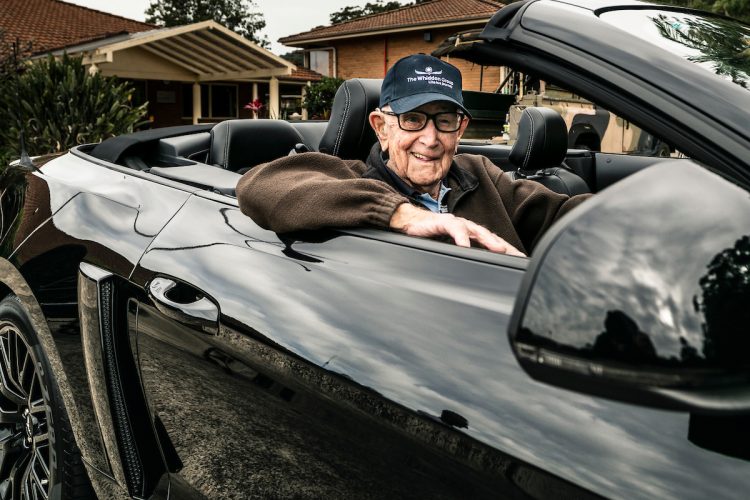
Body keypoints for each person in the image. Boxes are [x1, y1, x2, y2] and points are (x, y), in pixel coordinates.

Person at [237, 54, 589, 256]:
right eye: (413, 120)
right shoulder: (354, 179)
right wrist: (402, 214)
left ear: (461, 129)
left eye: (445, 120)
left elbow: (563, 216)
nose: (431, 138)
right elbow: (260, 184)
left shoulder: (479, 173)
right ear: (381, 127)